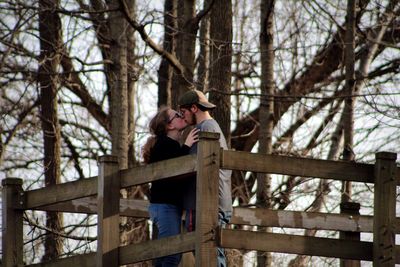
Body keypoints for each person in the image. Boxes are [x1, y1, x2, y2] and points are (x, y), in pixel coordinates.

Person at [178, 89, 232, 267]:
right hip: (210, 203)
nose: (182, 117)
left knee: (209, 258)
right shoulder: (208, 127)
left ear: (194, 108)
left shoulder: (205, 129)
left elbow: (192, 167)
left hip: (205, 204)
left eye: (183, 112)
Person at [142, 106, 199, 267]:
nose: (182, 116)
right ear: (169, 125)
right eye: (177, 115)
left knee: (166, 255)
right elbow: (176, 167)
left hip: (167, 207)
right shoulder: (164, 144)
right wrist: (187, 145)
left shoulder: (170, 144)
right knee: (172, 255)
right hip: (164, 207)